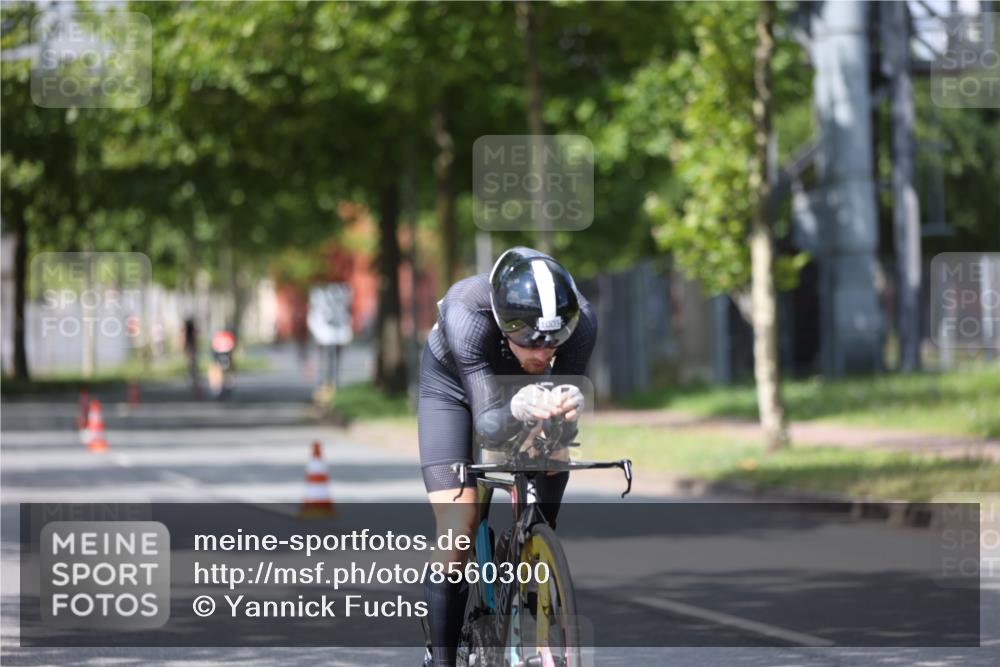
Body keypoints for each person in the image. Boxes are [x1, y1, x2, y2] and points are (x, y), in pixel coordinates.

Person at [419, 247, 597, 667]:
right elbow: (487, 426)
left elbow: (563, 420)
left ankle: (534, 551)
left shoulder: (582, 321)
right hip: (453, 388)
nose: (544, 352)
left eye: (554, 341)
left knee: (552, 448)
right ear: (503, 323)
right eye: (530, 340)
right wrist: (518, 406)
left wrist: (565, 406)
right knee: (458, 525)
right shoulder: (467, 312)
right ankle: (441, 659)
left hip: (522, 388)